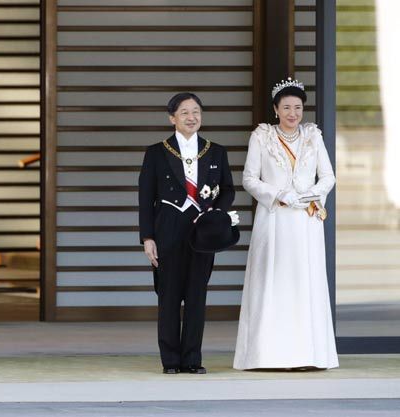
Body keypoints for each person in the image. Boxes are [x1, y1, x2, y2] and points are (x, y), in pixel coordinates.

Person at [234, 78, 339, 370]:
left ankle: (309, 355)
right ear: (276, 109)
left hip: (306, 220)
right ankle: (268, 356)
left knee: (304, 282)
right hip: (275, 218)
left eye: (298, 107)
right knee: (274, 280)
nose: (293, 113)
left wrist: (311, 195)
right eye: (287, 107)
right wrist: (279, 194)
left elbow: (328, 176)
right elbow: (249, 179)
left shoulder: (312, 136)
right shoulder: (262, 136)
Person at [139, 93, 235, 374]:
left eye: (196, 112)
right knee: (168, 298)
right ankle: (171, 361)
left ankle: (192, 359)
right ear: (172, 118)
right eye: (184, 112)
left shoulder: (216, 151)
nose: (191, 117)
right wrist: (148, 238)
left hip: (202, 234)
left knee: (196, 297)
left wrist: (216, 214)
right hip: (167, 231)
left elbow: (228, 189)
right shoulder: (157, 153)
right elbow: (145, 198)